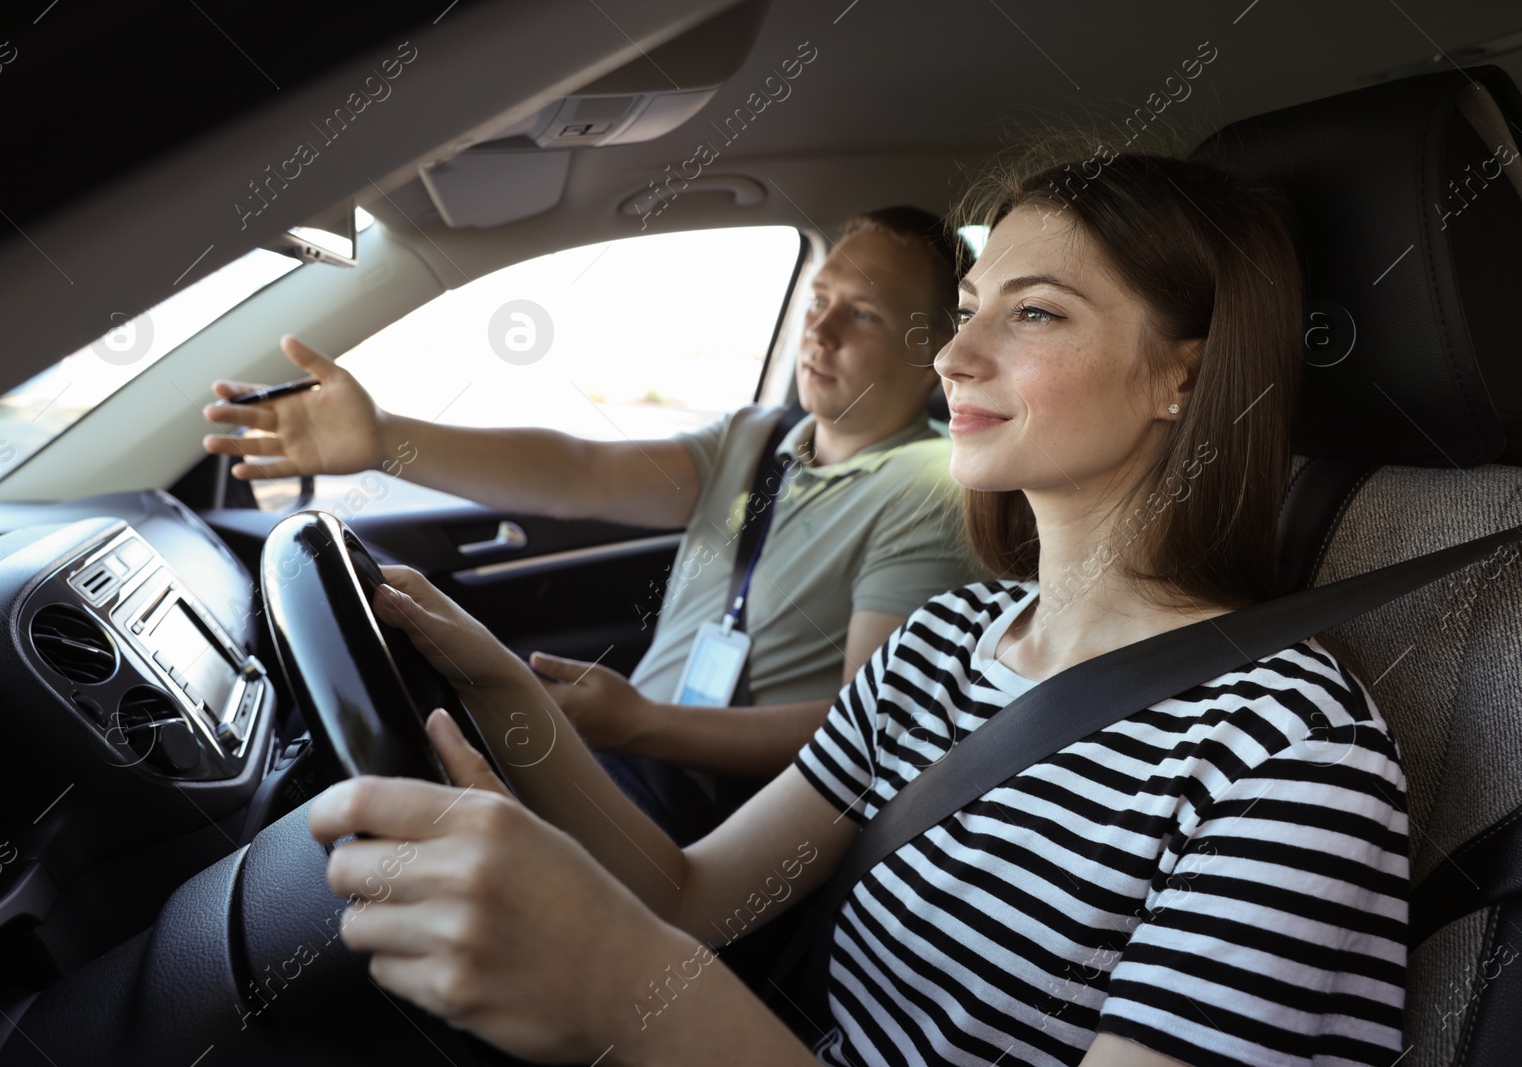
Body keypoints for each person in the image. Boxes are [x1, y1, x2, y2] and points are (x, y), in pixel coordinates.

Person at [305, 150, 1409, 1067]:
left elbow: (661, 946)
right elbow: (691, 895)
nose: (954, 354)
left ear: (1184, 377)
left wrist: (626, 984)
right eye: (969, 308)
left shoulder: (1289, 752)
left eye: (1031, 313)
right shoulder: (943, 646)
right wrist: (503, 687)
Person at [204, 207, 985, 843]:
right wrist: (384, 441)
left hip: (724, 815)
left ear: (932, 355)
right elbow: (578, 472)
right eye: (818, 300)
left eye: (865, 315)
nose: (820, 331)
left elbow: (861, 727)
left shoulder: (926, 492)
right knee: (327, 796)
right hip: (625, 756)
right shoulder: (757, 438)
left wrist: (644, 724)